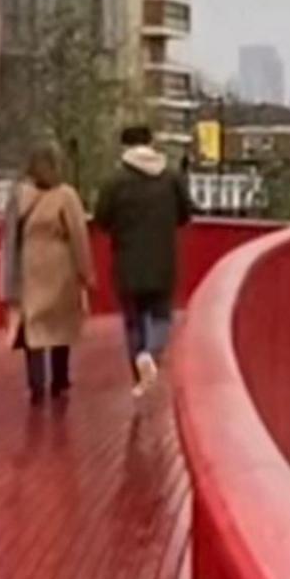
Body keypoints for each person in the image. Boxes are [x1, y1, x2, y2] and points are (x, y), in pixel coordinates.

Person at [97, 124, 191, 390]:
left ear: (125, 148)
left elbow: (102, 219)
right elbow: (185, 215)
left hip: (127, 261)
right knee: (161, 316)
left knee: (133, 320)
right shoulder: (171, 178)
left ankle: (139, 375)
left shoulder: (115, 182)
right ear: (151, 143)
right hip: (163, 259)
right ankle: (151, 353)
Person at [1, 145, 93, 402]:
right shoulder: (66, 195)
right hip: (60, 265)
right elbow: (78, 235)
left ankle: (36, 383)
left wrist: (8, 281)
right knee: (60, 325)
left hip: (30, 265)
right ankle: (60, 379)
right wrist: (86, 272)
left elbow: (9, 237)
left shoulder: (19, 195)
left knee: (34, 326)